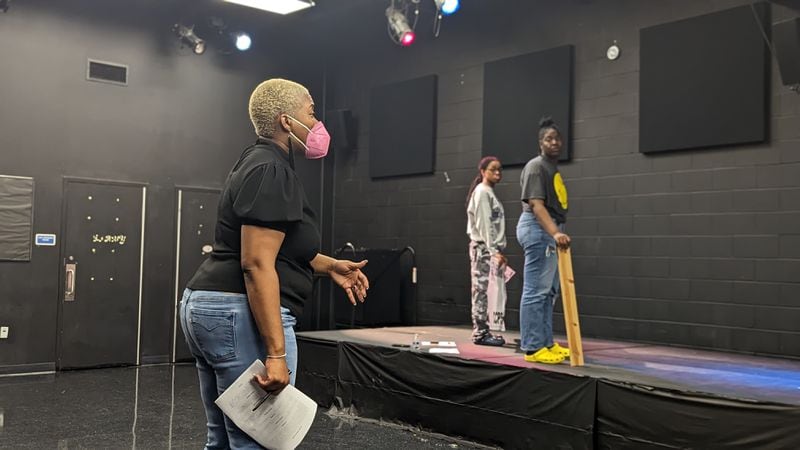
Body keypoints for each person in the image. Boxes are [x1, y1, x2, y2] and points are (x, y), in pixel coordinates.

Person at [179, 78, 369, 449]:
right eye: (310, 112)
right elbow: (256, 263)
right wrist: (276, 354)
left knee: (223, 439)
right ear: (286, 121)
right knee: (258, 442)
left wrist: (330, 266)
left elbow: (279, 250)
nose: (317, 122)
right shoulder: (271, 170)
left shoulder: (257, 161)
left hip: (211, 307)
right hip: (237, 314)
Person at [516, 117, 571, 364]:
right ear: (540, 143)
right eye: (549, 139)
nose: (555, 142)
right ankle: (532, 348)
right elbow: (537, 206)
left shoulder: (550, 167)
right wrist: (555, 232)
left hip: (548, 231)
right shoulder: (536, 166)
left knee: (549, 293)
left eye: (557, 138)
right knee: (535, 292)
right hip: (539, 229)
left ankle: (546, 343)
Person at [466, 156, 507, 346]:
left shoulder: (488, 192)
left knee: (485, 290)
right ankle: (480, 333)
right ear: (483, 172)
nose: (497, 173)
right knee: (480, 290)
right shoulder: (482, 192)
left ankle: (484, 329)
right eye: (493, 169)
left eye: (499, 169)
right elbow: (484, 225)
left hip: (487, 248)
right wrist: (493, 251)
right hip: (483, 248)